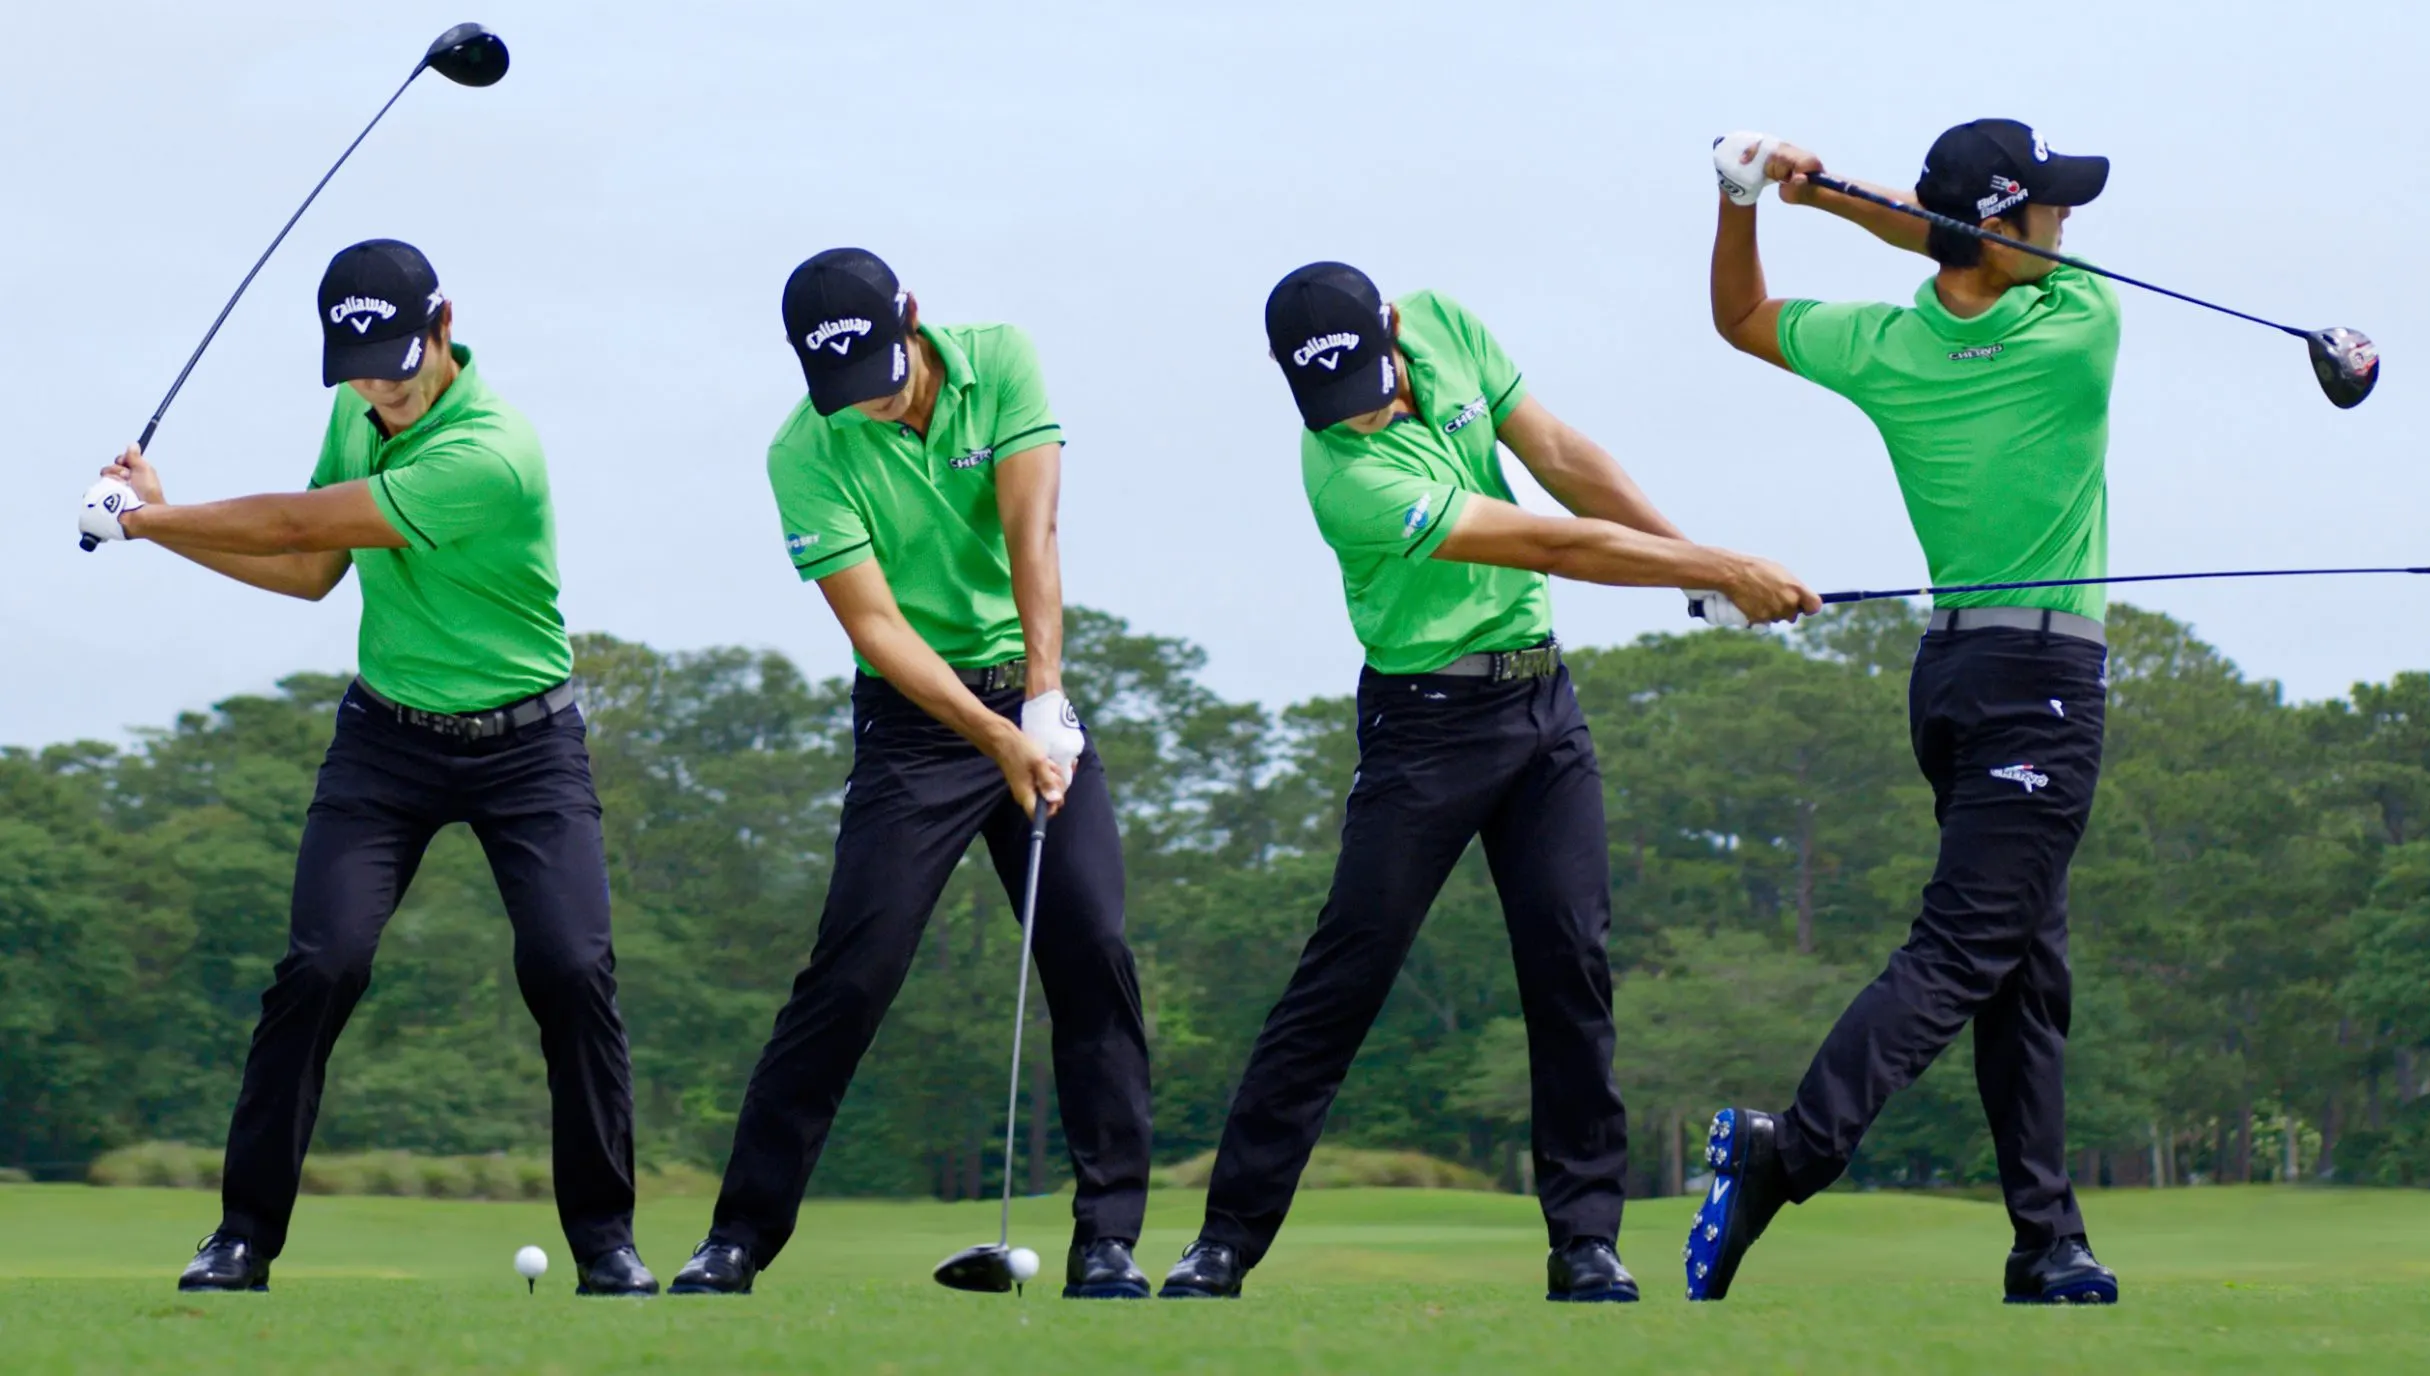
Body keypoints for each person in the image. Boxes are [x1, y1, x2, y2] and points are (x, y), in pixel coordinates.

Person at [1157, 261, 1821, 1303]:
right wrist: (1713, 569)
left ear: (1391, 330)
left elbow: (1556, 455)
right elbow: (1549, 542)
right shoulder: (1347, 474)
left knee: (1570, 967)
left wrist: (1689, 555)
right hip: (1425, 729)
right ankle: (1224, 1241)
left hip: (1540, 709)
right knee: (1345, 977)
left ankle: (1585, 1244)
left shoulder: (1445, 327)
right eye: (1333, 400)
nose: (1361, 414)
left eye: (1370, 382)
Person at [78, 239, 656, 1296]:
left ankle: (606, 1243)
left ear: (444, 327)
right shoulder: (355, 410)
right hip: (386, 741)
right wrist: (152, 532)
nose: (379, 385)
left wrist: (146, 517)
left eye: (396, 358)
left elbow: (303, 522)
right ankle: (241, 1238)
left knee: (572, 971)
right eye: (357, 364)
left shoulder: (492, 451)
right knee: (320, 967)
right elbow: (306, 571)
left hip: (528, 746)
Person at [1686, 121, 2123, 1305]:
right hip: (2039, 691)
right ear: (1999, 226)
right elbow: (1939, 235)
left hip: (1949, 683)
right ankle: (1792, 1153)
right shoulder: (2077, 326)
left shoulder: (1882, 343)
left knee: (2027, 971)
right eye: (2048, 209)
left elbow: (1740, 319)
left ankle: (2046, 1241)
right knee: (1968, 947)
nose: (2068, 226)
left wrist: (1750, 201)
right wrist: (1819, 192)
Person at [668, 248, 1154, 1298]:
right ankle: (737, 1239)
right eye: (846, 389)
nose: (874, 405)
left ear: (915, 322)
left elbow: (1033, 533)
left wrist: (1040, 697)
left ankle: (1107, 1240)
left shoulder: (1001, 363)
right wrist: (994, 737)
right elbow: (876, 625)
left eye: (884, 377)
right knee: (853, 970)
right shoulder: (803, 449)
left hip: (1027, 692)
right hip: (916, 724)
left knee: (1092, 952)